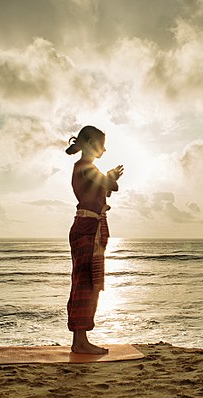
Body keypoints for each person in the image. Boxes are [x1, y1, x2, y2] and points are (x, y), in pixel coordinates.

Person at [65, 125, 124, 354]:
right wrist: (110, 177)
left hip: (91, 226)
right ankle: (80, 341)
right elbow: (109, 183)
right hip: (87, 227)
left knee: (90, 284)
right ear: (89, 143)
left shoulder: (87, 169)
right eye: (101, 144)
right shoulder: (84, 167)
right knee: (85, 283)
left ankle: (80, 340)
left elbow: (110, 186)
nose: (104, 149)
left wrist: (109, 179)